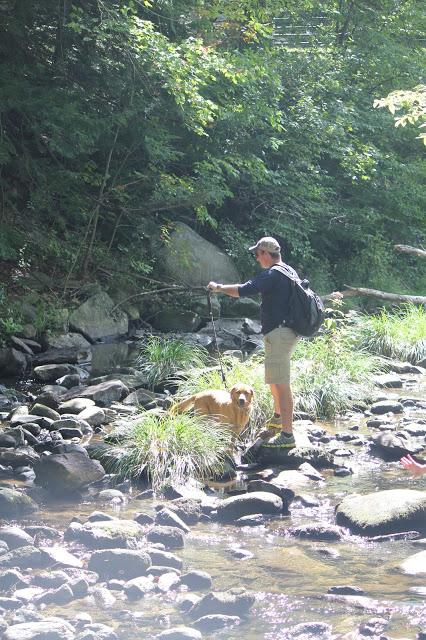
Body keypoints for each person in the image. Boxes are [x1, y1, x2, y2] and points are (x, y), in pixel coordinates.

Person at [208, 236, 300, 449]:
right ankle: (278, 420)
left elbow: (244, 290)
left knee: (282, 384)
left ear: (266, 254)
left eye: (258, 254)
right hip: (281, 333)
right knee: (275, 380)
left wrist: (219, 287)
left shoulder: (273, 274)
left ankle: (288, 435)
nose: (257, 259)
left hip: (279, 334)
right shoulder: (288, 271)